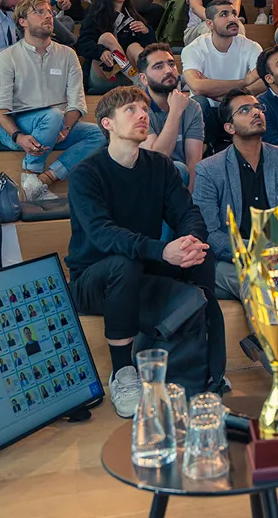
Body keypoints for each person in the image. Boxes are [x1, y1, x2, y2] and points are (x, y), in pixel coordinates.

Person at [65, 85, 226, 413]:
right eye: (130, 110)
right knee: (123, 263)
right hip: (93, 281)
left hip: (142, 270)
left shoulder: (160, 166)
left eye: (143, 108)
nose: (142, 115)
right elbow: (104, 236)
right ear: (107, 123)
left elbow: (187, 212)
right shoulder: (86, 174)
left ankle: (203, 359)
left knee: (201, 255)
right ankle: (123, 372)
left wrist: (190, 242)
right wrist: (163, 250)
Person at [192, 89, 278, 397]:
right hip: (231, 261)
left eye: (258, 107)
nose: (256, 112)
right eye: (244, 110)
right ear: (228, 127)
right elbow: (208, 232)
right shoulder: (209, 170)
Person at [0, 0, 107, 202]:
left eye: (49, 12)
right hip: (16, 129)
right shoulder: (7, 57)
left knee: (100, 133)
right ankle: (31, 171)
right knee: (52, 115)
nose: (48, 16)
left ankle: (44, 179)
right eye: (39, 12)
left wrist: (66, 128)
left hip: (56, 126)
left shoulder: (68, 54)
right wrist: (18, 136)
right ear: (22, 21)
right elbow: (1, 109)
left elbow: (77, 101)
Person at [181, 0, 265, 149]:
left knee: (264, 100)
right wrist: (245, 81)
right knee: (199, 102)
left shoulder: (251, 46)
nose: (233, 19)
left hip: (239, 108)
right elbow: (197, 87)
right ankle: (208, 149)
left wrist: (227, 98)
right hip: (209, 112)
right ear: (209, 24)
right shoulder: (193, 49)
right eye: (224, 15)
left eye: (234, 14)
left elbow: (264, 81)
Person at [77, 0, 157, 94]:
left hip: (130, 76)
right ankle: (141, 82)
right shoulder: (95, 16)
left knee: (134, 47)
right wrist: (101, 51)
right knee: (106, 37)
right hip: (105, 74)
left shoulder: (134, 17)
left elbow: (152, 48)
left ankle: (149, 80)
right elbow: (82, 44)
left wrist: (146, 32)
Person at [137, 43, 206, 187]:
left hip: (181, 182)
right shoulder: (138, 109)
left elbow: (193, 163)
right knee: (177, 168)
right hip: (145, 181)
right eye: (158, 67)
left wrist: (188, 199)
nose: (169, 70)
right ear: (143, 78)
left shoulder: (192, 107)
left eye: (171, 64)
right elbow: (156, 160)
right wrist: (175, 112)